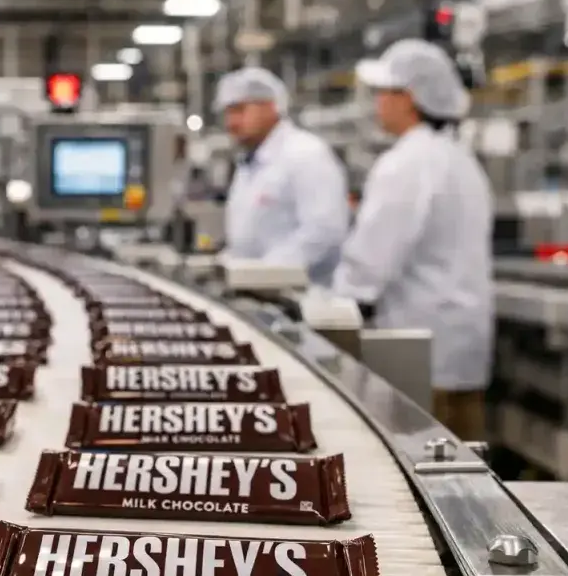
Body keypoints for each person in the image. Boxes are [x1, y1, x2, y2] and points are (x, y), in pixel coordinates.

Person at [331, 39, 494, 441]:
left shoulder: (406, 163)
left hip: (417, 352)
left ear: (410, 98)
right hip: (461, 346)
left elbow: (372, 260)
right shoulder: (458, 157)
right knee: (461, 466)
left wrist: (332, 312)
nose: (378, 103)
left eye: (384, 93)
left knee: (423, 467)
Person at [212, 67, 350, 285]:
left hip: (304, 296)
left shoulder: (305, 154)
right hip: (258, 291)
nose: (231, 123)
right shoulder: (250, 162)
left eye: (240, 110)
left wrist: (264, 273)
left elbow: (324, 231)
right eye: (228, 113)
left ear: (271, 106)